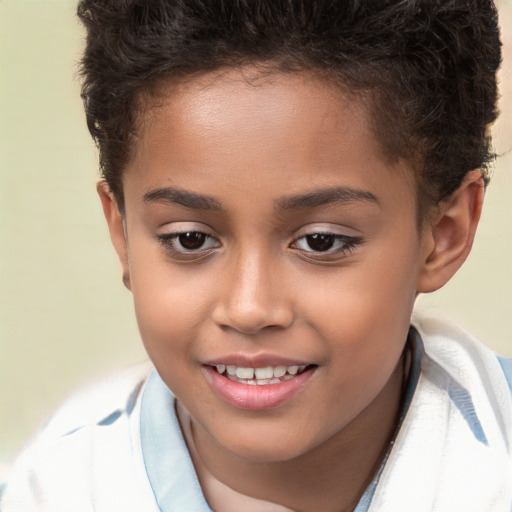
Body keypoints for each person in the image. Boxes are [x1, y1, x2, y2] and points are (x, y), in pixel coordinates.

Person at [2, 1, 511, 511]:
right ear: (124, 235)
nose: (249, 308)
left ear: (444, 233)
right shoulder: (50, 489)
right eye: (190, 240)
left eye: (321, 241)